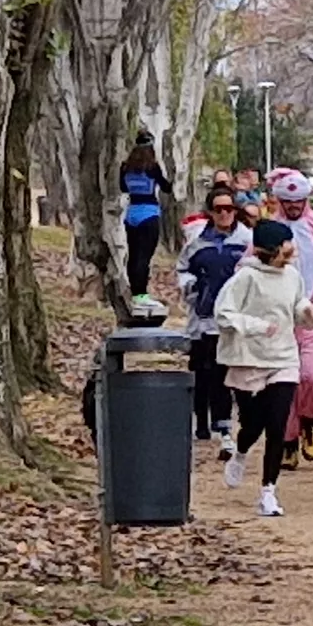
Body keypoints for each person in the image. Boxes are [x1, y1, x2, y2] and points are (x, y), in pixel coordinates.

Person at [209, 217, 313, 514]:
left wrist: (308, 313)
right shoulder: (245, 278)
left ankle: (268, 492)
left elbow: (297, 305)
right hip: (248, 358)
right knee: (253, 424)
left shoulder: (292, 276)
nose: (291, 249)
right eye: (285, 244)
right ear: (269, 249)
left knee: (277, 425)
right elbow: (223, 314)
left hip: (284, 358)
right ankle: (241, 452)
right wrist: (256, 326)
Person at [261, 169, 313, 465]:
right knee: (282, 381)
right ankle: (287, 441)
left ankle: (309, 419)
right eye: (288, 202)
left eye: (299, 201)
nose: (294, 206)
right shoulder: (268, 230)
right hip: (279, 318)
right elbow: (247, 263)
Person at [179, 184, 253, 450]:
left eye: (229, 209)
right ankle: (209, 424)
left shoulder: (247, 240)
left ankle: (237, 422)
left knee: (234, 372)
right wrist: (192, 288)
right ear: (210, 212)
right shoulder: (196, 242)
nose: (224, 214)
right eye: (218, 209)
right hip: (205, 319)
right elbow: (183, 270)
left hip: (238, 319)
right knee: (206, 372)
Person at [116, 130, 172, 301]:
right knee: (144, 256)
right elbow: (166, 188)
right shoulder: (152, 167)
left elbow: (123, 188)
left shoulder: (125, 167)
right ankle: (141, 294)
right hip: (148, 214)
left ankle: (134, 292)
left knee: (133, 255)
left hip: (131, 213)